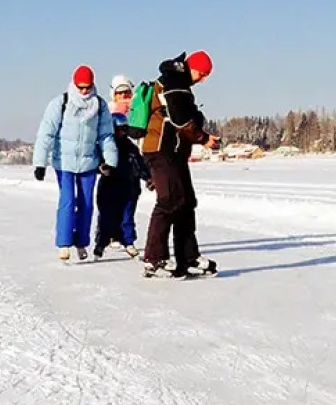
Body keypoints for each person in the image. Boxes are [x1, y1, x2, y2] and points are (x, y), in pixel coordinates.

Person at [139, 50, 219, 278]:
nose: (202, 79)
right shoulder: (175, 83)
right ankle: (154, 260)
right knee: (168, 202)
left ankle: (188, 257)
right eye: (202, 74)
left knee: (185, 202)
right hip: (161, 150)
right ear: (192, 68)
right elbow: (180, 119)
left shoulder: (178, 82)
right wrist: (204, 139)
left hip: (173, 152)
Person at [33, 65, 120, 262]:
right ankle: (64, 244)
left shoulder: (100, 105)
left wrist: (111, 161)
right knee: (67, 201)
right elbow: (46, 133)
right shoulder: (61, 103)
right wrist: (40, 163)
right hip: (64, 162)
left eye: (87, 87)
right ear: (74, 83)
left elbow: (106, 135)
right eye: (80, 87)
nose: (83, 91)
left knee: (86, 204)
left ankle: (81, 242)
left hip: (88, 162)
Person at [94, 75, 152, 259]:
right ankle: (101, 242)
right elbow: (97, 158)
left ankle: (128, 241)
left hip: (129, 186)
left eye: (126, 92)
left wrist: (147, 176)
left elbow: (138, 162)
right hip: (110, 186)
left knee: (127, 216)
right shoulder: (106, 141)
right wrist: (100, 168)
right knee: (107, 216)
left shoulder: (131, 143)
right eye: (120, 93)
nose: (124, 96)